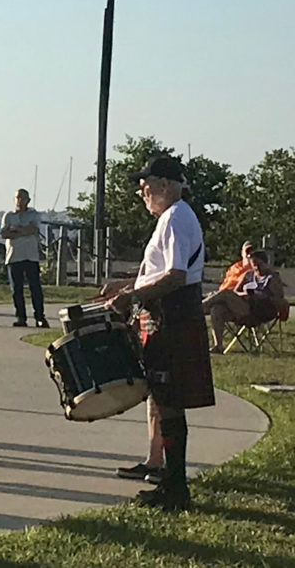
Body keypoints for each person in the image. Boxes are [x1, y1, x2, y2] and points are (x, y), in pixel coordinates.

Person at [104, 156, 214, 511]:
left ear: (165, 185)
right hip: (169, 313)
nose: (142, 193)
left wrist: (131, 297)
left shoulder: (176, 217)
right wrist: (125, 285)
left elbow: (177, 276)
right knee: (164, 399)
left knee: (169, 402)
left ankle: (177, 487)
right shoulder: (172, 217)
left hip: (173, 314)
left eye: (145, 186)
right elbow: (161, 272)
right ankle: (170, 480)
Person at [206, 249, 287, 353]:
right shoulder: (248, 275)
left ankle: (199, 308)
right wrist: (245, 294)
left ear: (266, 264)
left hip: (259, 310)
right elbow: (235, 292)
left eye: (259, 264)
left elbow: (279, 299)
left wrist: (259, 296)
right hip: (242, 307)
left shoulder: (272, 278)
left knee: (225, 293)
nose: (256, 267)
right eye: (254, 264)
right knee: (217, 309)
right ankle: (218, 346)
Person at [1, 189, 48, 328]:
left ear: (28, 200)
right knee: (17, 289)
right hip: (14, 257)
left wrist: (16, 230)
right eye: (17, 198)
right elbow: (4, 233)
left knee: (35, 288)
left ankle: (40, 317)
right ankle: (21, 317)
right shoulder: (8, 216)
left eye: (23, 198)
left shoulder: (33, 215)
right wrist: (23, 231)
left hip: (31, 256)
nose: (20, 200)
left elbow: (33, 230)